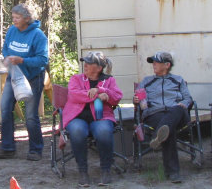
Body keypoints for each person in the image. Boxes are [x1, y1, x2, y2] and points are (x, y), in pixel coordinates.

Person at [0, 3, 48, 161]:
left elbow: (43, 60)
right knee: (5, 108)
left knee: (30, 115)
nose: (14, 20)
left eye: (17, 18)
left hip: (33, 78)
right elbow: (6, 49)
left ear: (27, 19)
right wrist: (8, 58)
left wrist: (22, 60)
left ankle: (36, 149)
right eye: (13, 17)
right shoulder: (12, 30)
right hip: (14, 77)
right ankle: (7, 147)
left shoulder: (38, 35)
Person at [63, 51, 123, 187]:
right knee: (77, 131)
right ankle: (83, 172)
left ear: (99, 68)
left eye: (89, 63)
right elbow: (74, 95)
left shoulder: (109, 80)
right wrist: (97, 94)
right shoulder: (76, 79)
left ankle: (106, 170)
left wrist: (105, 92)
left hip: (101, 117)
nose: (85, 65)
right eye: (85, 62)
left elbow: (117, 97)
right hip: (77, 117)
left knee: (103, 131)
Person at [133, 51, 192, 183]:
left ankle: (157, 137)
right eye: (153, 62)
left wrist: (183, 103)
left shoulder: (178, 80)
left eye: (156, 62)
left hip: (177, 113)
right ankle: (173, 173)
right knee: (167, 129)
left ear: (167, 65)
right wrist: (136, 99)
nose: (153, 64)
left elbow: (188, 98)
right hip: (155, 113)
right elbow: (140, 98)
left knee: (176, 111)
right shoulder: (147, 81)